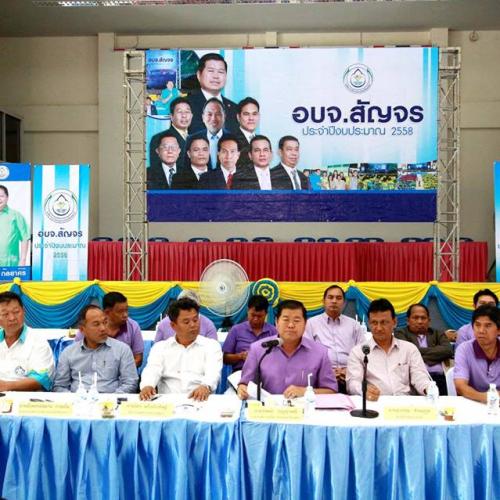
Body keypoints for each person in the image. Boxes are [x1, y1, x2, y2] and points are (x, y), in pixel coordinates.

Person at [237, 299, 337, 399]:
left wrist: (305, 391)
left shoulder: (319, 352)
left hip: (305, 407)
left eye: (296, 321)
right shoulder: (259, 349)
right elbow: (245, 383)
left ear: (305, 324)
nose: (291, 325)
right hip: (269, 407)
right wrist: (242, 388)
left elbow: (331, 390)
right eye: (286, 320)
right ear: (277, 322)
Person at [346, 298, 432, 400]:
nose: (378, 328)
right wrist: (363, 389)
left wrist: (427, 389)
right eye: (374, 323)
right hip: (375, 403)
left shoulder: (409, 349)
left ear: (394, 322)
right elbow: (353, 382)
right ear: (369, 323)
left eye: (384, 322)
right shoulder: (359, 352)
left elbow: (419, 376)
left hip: (405, 403)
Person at [140, 298, 222, 401]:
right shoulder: (160, 348)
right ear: (173, 326)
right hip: (168, 402)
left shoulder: (211, 346)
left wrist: (206, 386)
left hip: (200, 400)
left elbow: (213, 373)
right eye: (186, 322)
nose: (193, 325)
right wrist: (147, 385)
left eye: (195, 320)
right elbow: (152, 370)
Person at [53, 305, 138, 393]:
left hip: (111, 399)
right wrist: (73, 398)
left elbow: (130, 383)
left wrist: (111, 399)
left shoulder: (122, 350)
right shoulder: (68, 353)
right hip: (77, 399)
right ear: (82, 329)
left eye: (105, 322)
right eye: (96, 324)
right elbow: (59, 386)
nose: (103, 328)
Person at [304, 284, 364, 393]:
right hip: (322, 377)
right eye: (330, 297)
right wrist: (326, 371)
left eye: (338, 298)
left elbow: (363, 353)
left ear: (344, 303)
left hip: (350, 376)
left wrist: (350, 370)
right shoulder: (311, 324)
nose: (334, 301)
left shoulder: (354, 325)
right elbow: (307, 354)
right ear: (323, 301)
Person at [0, 291, 54, 391]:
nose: (12, 318)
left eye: (16, 312)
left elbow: (42, 379)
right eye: (5, 314)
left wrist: (6, 386)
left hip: (26, 397)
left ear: (23, 311)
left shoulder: (38, 341)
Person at [395, 303, 453, 395]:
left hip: (440, 378)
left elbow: (448, 350)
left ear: (429, 320)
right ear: (408, 320)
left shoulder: (437, 333)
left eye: (423, 318)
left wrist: (416, 354)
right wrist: (436, 353)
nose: (420, 321)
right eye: (415, 318)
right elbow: (406, 353)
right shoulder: (400, 333)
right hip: (412, 380)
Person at [74, 291, 144, 367]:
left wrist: (117, 371)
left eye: (126, 310)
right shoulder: (88, 328)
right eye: (120, 311)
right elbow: (77, 358)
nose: (125, 315)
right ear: (107, 312)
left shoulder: (133, 326)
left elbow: (138, 359)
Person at [454, 304, 500, 403]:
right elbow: (460, 386)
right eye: (477, 325)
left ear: (498, 330)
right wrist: (487, 398)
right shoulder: (464, 349)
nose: (481, 331)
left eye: (488, 325)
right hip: (473, 403)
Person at [222, 294, 277, 372]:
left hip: (266, 372)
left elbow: (279, 357)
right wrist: (240, 356)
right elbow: (225, 358)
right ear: (248, 311)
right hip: (241, 371)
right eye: (253, 315)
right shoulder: (236, 330)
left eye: (259, 316)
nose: (255, 319)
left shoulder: (273, 331)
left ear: (266, 314)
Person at [187, 53, 238, 134]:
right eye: (211, 71)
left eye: (220, 72)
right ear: (199, 75)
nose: (216, 76)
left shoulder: (235, 108)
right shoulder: (186, 105)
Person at [148, 97, 193, 173]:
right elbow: (156, 172)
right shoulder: (158, 139)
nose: (184, 115)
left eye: (187, 112)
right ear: (171, 116)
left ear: (191, 116)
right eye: (180, 112)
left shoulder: (197, 138)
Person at [186, 98, 230, 170]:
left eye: (218, 114)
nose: (213, 119)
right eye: (209, 114)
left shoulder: (234, 139)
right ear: (203, 117)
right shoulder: (191, 140)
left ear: (224, 116)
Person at [0, 185, 29, 267]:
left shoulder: (16, 215)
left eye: (1, 196)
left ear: (7, 197)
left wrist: (23, 260)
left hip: (10, 264)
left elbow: (25, 237)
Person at [234, 97, 260, 169]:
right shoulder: (232, 141)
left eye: (254, 114)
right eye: (246, 114)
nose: (251, 118)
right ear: (238, 117)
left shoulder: (260, 141)